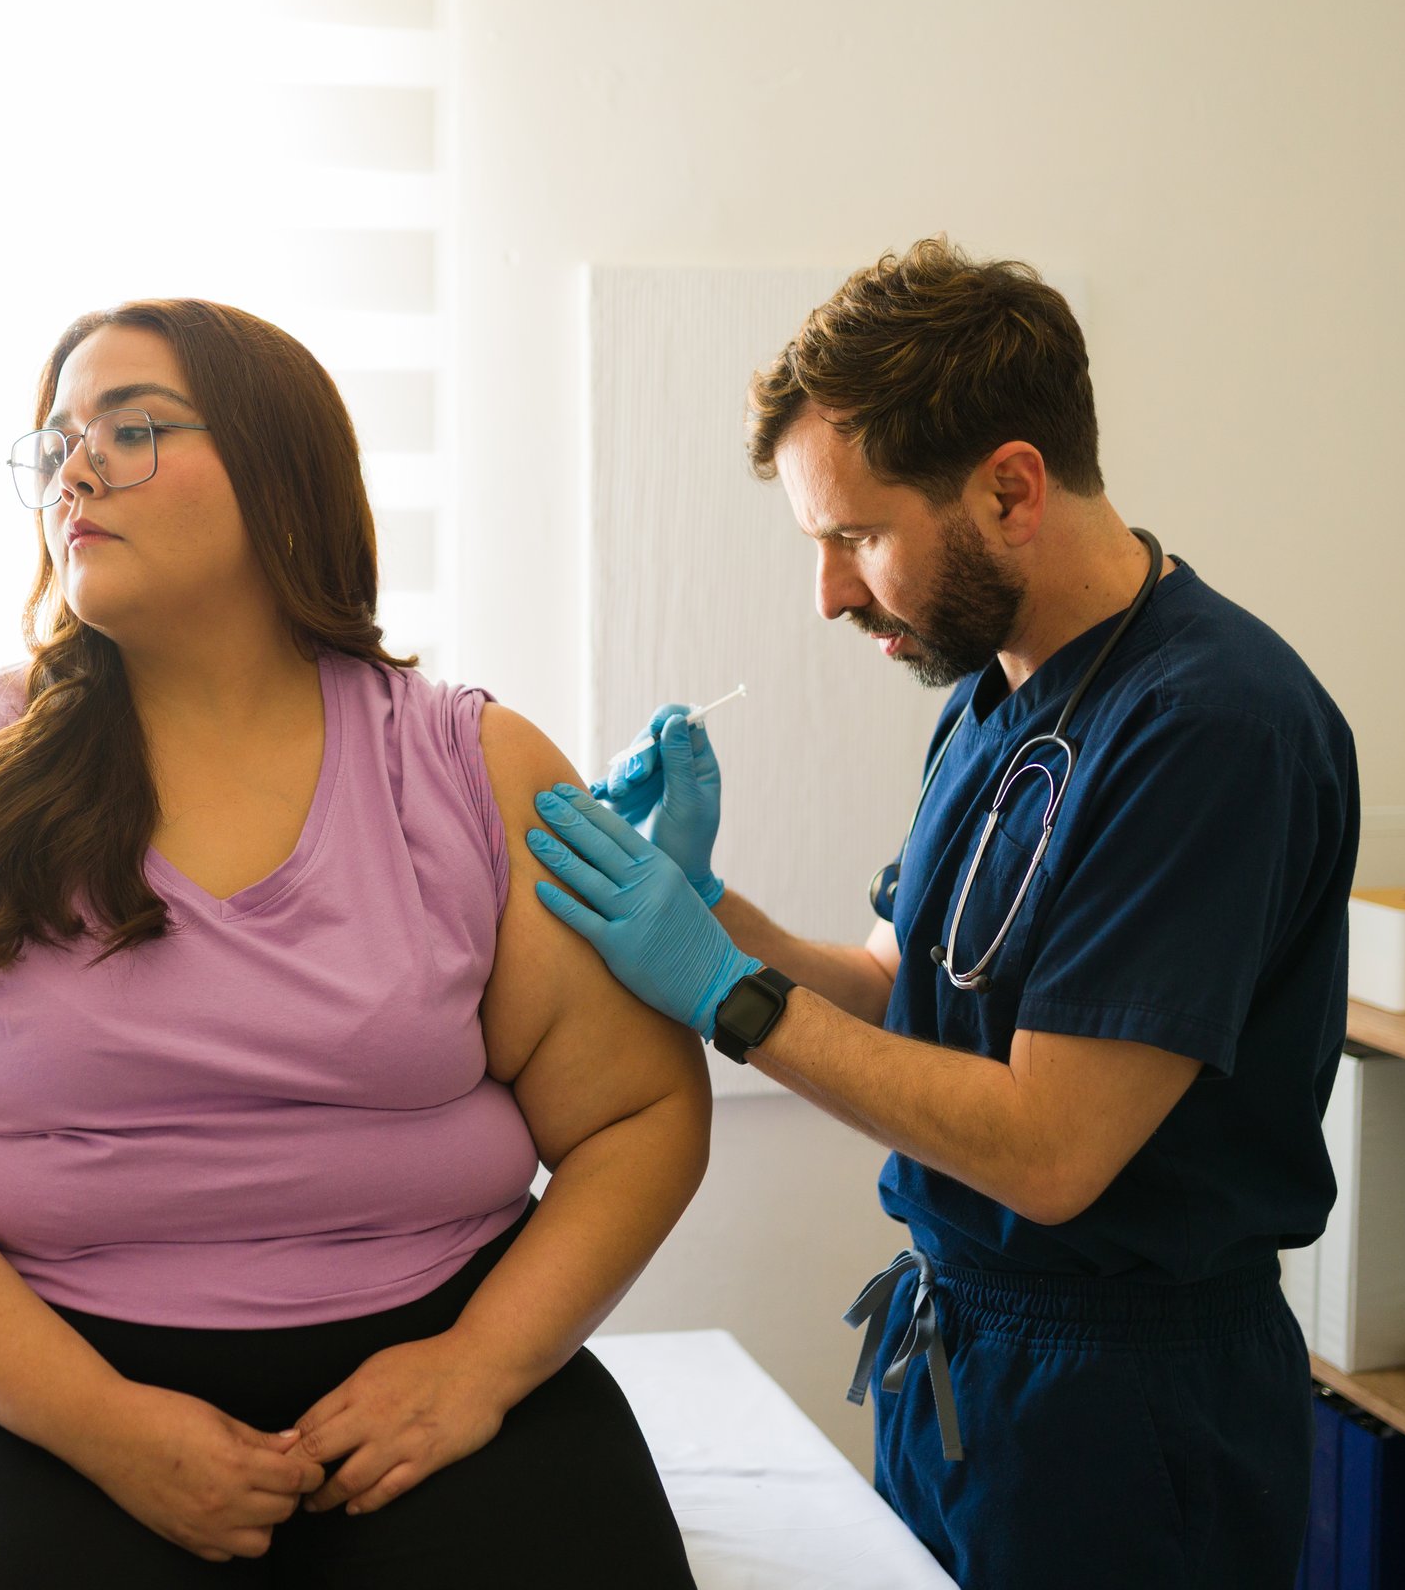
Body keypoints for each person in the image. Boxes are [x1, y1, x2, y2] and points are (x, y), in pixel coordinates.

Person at [0, 298, 706, 1588]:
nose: (74, 468)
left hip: (424, 1369)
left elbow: (636, 1113)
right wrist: (108, 1430)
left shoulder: (470, 766)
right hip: (25, 1393)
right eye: (55, 444)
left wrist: (476, 1372)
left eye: (134, 427)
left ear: (284, 474)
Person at [525, 238, 1359, 1589]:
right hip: (971, 1358)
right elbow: (895, 988)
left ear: (1012, 487)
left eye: (857, 536)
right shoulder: (996, 691)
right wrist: (702, 904)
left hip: (1127, 1414)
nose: (831, 593)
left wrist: (728, 999)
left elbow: (1048, 1150)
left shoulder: (1209, 727)